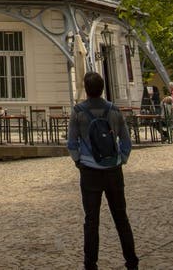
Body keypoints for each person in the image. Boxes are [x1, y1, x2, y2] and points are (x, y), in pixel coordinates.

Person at [68, 71, 139, 270]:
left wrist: (79, 162)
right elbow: (126, 141)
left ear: (86, 89)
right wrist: (121, 159)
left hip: (90, 171)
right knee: (121, 218)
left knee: (91, 220)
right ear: (102, 88)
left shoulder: (79, 112)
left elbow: (72, 143)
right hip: (114, 170)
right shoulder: (115, 110)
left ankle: (90, 264)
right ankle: (132, 261)